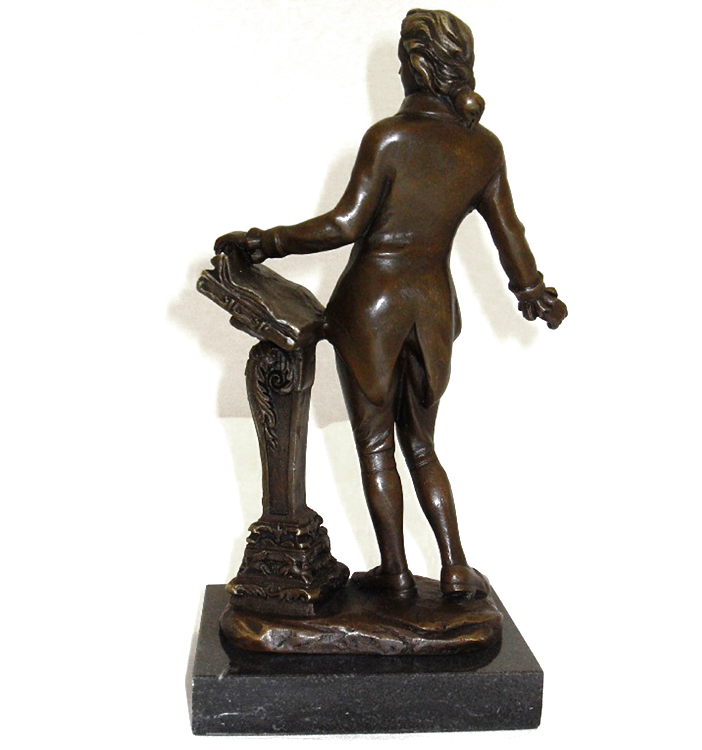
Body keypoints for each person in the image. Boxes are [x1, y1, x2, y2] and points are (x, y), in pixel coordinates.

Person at [215, 9, 567, 599]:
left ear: (418, 66)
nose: (401, 70)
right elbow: (510, 233)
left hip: (370, 310)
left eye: (405, 60)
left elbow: (345, 224)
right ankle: (455, 567)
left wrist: (262, 242)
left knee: (376, 445)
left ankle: (397, 576)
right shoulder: (482, 149)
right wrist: (532, 292)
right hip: (432, 312)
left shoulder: (389, 138)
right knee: (423, 446)